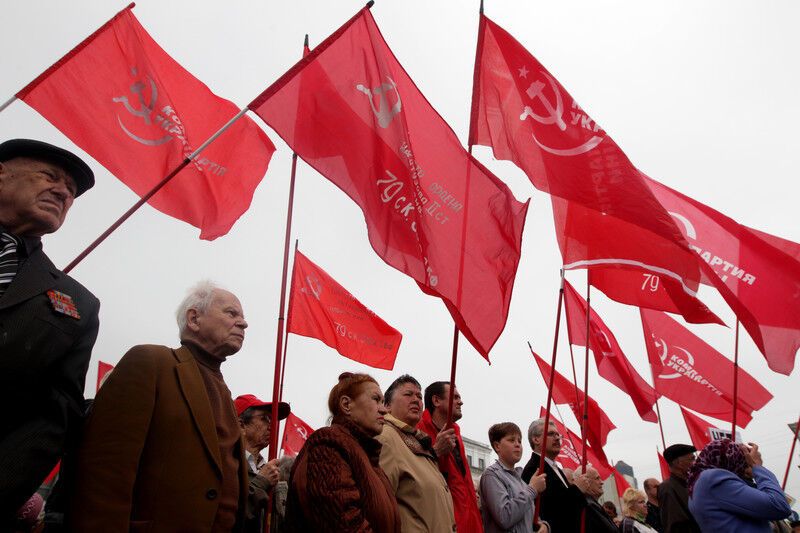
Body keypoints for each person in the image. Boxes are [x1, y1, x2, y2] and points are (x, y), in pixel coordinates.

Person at [69, 281, 250, 532]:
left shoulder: (226, 395)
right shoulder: (150, 363)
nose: (243, 323)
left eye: (242, 316)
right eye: (232, 313)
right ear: (194, 318)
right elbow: (105, 474)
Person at [0, 138, 99, 525]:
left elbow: (52, 418)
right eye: (50, 176)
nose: (63, 191)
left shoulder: (78, 305)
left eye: (71, 192)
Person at [285, 372, 400, 532]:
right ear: (346, 405)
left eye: (383, 401)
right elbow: (344, 523)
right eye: (375, 399)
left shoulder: (368, 456)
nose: (384, 410)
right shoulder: (328, 443)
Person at [376, 374, 457, 532]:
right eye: (408, 394)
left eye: (419, 396)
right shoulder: (386, 437)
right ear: (387, 406)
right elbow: (380, 507)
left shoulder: (418, 441)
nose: (416, 400)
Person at [418, 381, 483, 533]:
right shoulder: (419, 431)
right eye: (454, 397)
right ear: (436, 401)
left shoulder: (457, 436)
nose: (461, 401)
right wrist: (435, 452)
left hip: (469, 523)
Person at [688, 439, 791, 532]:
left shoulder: (699, 484)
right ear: (730, 460)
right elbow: (779, 506)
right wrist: (758, 467)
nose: (745, 469)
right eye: (742, 464)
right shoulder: (712, 479)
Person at [521, 417, 590, 531]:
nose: (557, 438)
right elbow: (554, 510)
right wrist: (577, 489)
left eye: (558, 435)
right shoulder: (534, 469)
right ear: (536, 439)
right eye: (551, 434)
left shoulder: (555, 467)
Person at [234, 393, 290, 533]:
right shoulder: (228, 464)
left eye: (272, 420)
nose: (272, 427)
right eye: (264, 419)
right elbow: (230, 516)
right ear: (241, 425)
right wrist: (261, 482)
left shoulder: (270, 469)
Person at [479, 422, 549, 533]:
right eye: (511, 440)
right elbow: (504, 517)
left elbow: (527, 514)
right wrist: (532, 489)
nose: (518, 444)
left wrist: (543, 525)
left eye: (519, 441)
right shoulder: (492, 475)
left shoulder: (521, 479)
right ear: (497, 446)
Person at [659, 443, 701, 533]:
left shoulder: (691, 483)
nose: (696, 463)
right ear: (678, 463)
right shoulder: (667, 488)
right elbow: (675, 526)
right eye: (692, 459)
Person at [582, 466, 619, 533]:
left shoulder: (594, 505)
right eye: (597, 478)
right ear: (586, 482)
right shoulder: (589, 506)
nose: (602, 482)